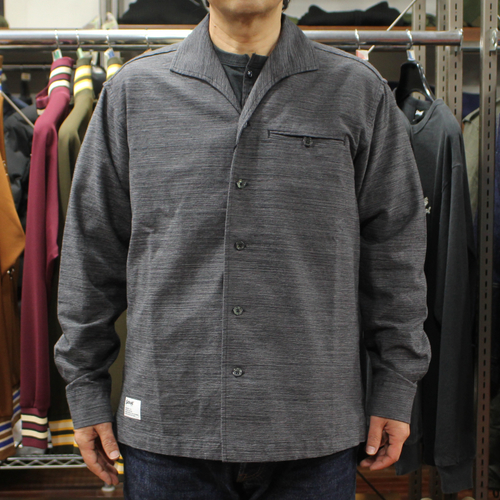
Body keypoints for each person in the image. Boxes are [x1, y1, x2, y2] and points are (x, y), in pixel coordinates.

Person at [55, 0, 431, 498]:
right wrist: (85, 388)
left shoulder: (358, 92)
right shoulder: (133, 93)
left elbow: (396, 253)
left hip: (311, 429)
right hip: (171, 428)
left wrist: (396, 384)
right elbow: (91, 250)